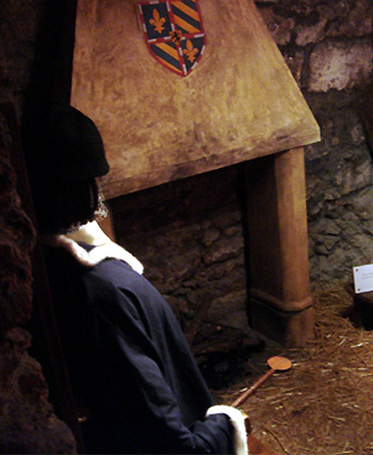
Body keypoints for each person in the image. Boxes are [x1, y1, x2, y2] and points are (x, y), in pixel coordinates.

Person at [25, 102, 248, 454]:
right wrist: (225, 424)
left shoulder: (44, 268)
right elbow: (166, 438)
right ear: (88, 187)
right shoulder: (105, 291)